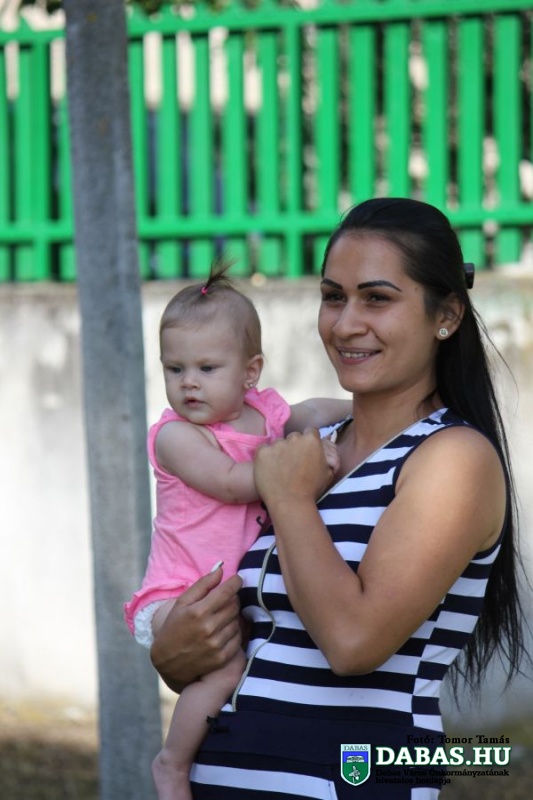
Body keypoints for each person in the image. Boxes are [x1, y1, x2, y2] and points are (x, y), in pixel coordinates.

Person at [149, 198, 530, 799]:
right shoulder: (307, 447)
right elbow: (262, 647)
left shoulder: (452, 459)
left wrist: (291, 500)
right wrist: (173, 653)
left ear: (446, 315)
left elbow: (352, 644)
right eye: (333, 297)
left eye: (377, 298)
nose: (346, 323)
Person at [124, 261, 346, 800]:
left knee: (249, 669)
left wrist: (367, 412)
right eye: (174, 369)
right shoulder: (176, 437)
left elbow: (312, 410)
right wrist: (304, 470)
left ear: (250, 372)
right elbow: (228, 482)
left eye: (206, 368)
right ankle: (172, 765)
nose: (188, 382)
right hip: (179, 593)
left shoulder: (263, 413)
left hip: (226, 593)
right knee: (225, 673)